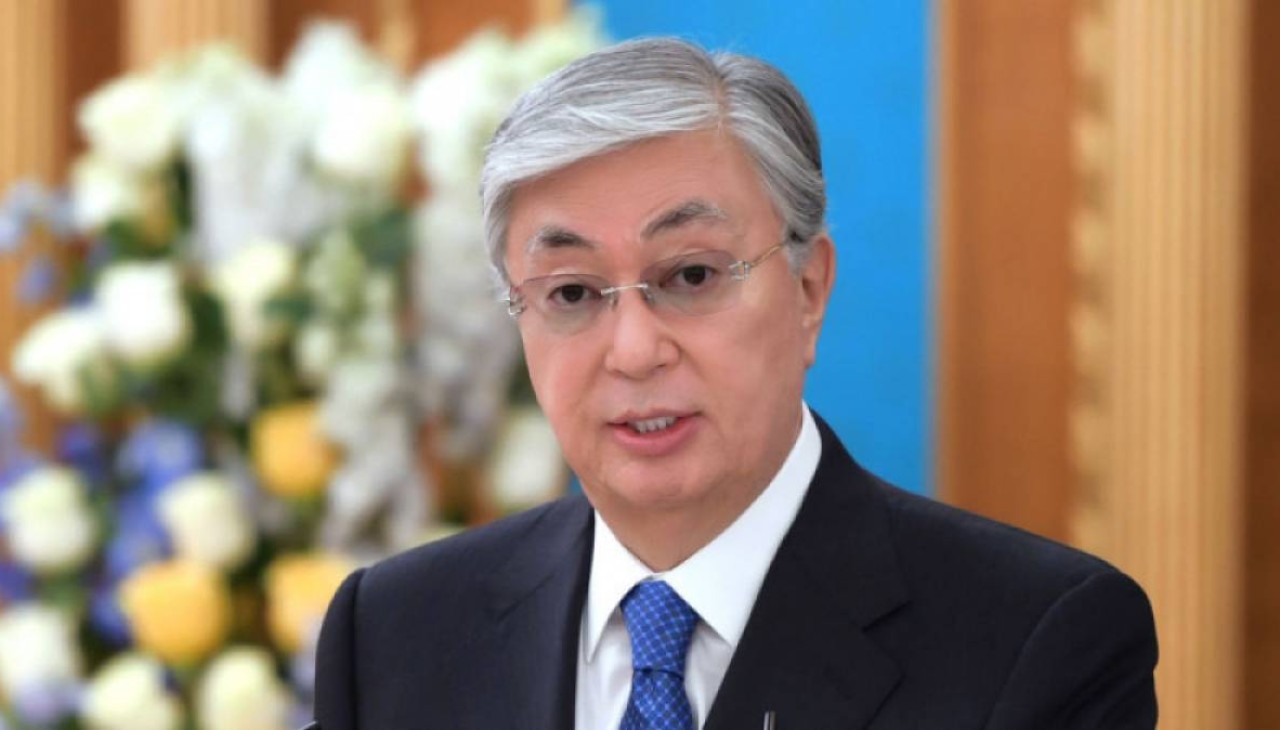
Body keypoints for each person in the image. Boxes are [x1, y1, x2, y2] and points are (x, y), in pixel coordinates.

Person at [308, 38, 1157, 729]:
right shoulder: (395, 633)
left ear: (808, 290)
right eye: (571, 293)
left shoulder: (1037, 643)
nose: (634, 351)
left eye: (691, 276)